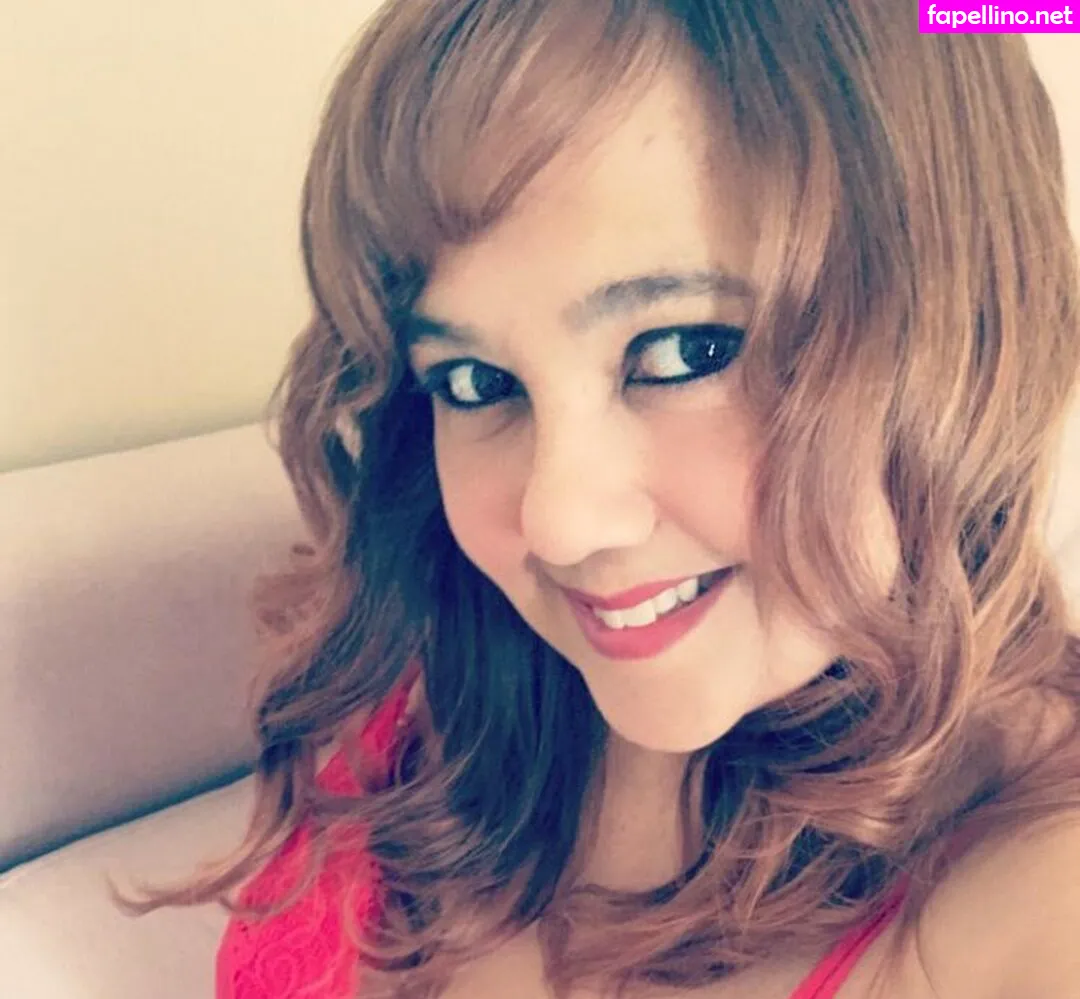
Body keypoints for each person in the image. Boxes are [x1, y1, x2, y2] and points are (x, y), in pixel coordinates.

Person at [120, 1, 1080, 996]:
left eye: (685, 351)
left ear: (963, 335)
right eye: (476, 383)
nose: (559, 522)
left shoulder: (1039, 902)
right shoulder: (433, 690)